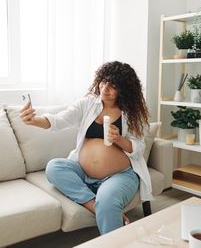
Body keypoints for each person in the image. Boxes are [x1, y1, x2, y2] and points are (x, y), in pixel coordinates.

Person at [20, 61, 153, 235]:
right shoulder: (88, 103)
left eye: (112, 86)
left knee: (107, 200)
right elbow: (60, 120)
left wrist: (119, 139)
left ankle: (107, 221)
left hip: (119, 175)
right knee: (54, 167)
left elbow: (139, 147)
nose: (104, 89)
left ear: (125, 89)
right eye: (103, 82)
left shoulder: (133, 113)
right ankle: (94, 206)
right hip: (83, 171)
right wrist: (34, 120)